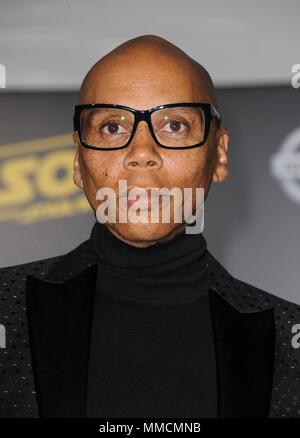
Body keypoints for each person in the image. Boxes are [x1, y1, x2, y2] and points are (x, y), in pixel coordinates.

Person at [1, 34, 299, 418]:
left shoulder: (288, 339)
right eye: (112, 127)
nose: (142, 154)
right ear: (78, 161)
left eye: (174, 125)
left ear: (219, 155)